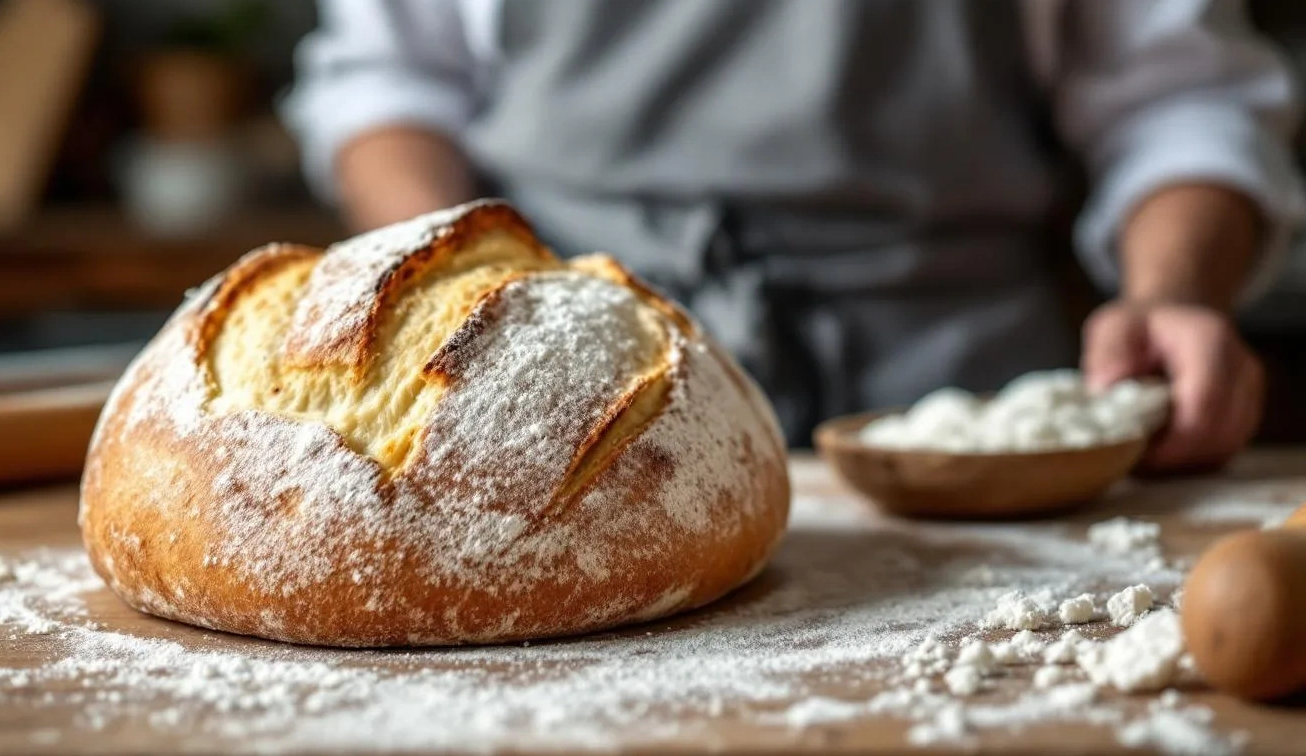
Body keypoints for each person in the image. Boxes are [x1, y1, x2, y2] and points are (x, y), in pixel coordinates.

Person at [281, 0, 1306, 470]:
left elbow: (1181, 104)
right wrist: (456, 290)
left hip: (965, 410)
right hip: (560, 413)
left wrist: (1174, 291)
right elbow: (389, 80)